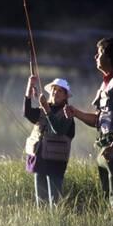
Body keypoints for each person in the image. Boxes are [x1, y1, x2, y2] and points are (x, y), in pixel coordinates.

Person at [64, 37, 113, 208]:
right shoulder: (106, 83)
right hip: (105, 147)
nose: (95, 57)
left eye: (99, 53)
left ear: (109, 57)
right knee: (107, 196)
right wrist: (75, 112)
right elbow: (98, 120)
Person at [23, 76, 75, 208]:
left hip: (55, 164)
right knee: (40, 201)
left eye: (60, 91)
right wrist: (30, 86)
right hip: (39, 160)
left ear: (65, 96)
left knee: (55, 202)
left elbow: (58, 130)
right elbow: (27, 112)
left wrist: (46, 109)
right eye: (53, 89)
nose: (55, 92)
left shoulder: (67, 113)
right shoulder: (43, 109)